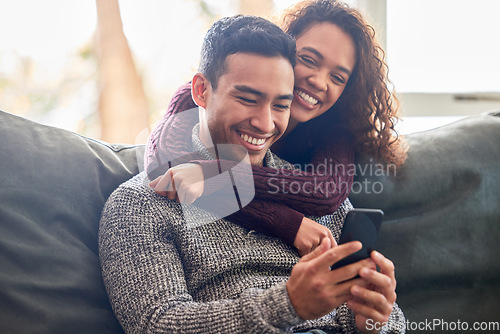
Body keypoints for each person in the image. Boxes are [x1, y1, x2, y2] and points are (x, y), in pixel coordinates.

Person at [99, 14, 405, 333]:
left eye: (280, 105)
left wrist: (372, 320)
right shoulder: (140, 205)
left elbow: (391, 321)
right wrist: (288, 304)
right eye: (248, 99)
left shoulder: (323, 203)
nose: (265, 123)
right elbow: (157, 324)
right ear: (201, 91)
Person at [145, 0, 407, 256]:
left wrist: (211, 176)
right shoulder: (197, 98)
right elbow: (167, 167)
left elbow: (324, 193)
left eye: (337, 77)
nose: (319, 81)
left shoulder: (334, 130)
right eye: (308, 59)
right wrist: (287, 224)